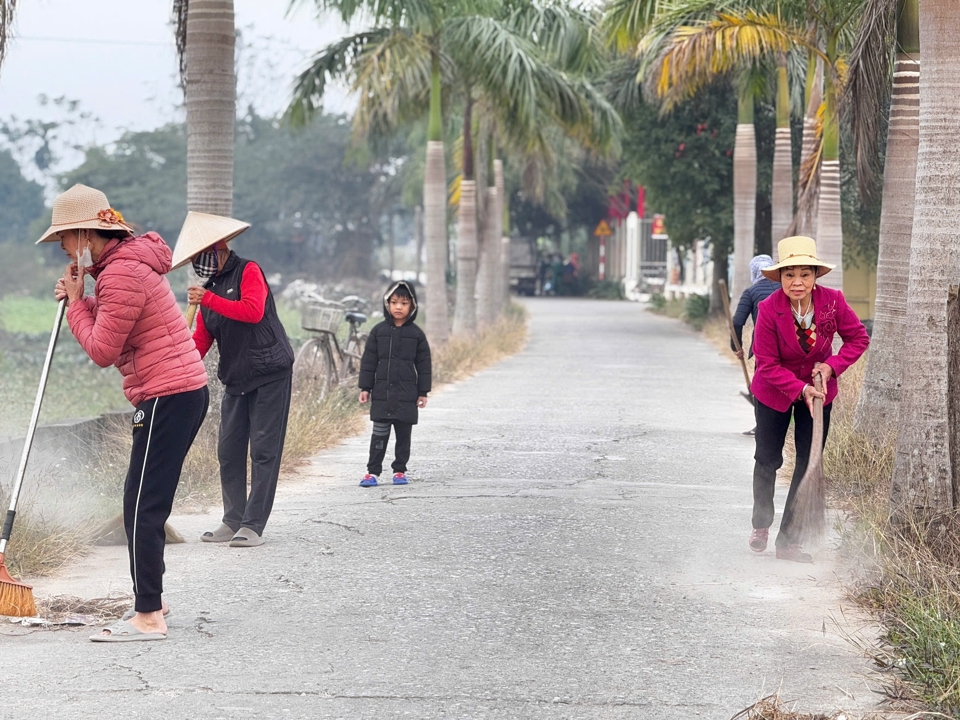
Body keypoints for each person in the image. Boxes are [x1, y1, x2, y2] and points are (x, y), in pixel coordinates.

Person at [43, 184, 209, 641]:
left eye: (63, 239)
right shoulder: (125, 264)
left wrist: (78, 304)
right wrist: (85, 298)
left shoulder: (119, 274)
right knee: (141, 501)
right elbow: (121, 319)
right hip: (177, 392)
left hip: (167, 394)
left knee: (142, 505)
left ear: (85, 234)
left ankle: (149, 616)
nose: (61, 248)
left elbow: (101, 348)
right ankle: (152, 600)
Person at [172, 212, 295, 549]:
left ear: (221, 249)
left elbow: (252, 310)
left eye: (205, 254)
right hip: (236, 377)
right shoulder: (207, 290)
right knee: (228, 450)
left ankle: (253, 525)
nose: (201, 262)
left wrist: (207, 299)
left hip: (270, 372)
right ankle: (232, 518)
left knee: (264, 452)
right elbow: (200, 340)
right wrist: (174, 368)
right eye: (196, 258)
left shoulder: (248, 270)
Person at [749, 236, 869, 563]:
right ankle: (761, 522)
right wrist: (800, 389)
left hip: (820, 392)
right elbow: (767, 363)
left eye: (804, 273)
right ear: (780, 278)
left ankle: (788, 541)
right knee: (768, 458)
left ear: (816, 275)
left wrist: (832, 366)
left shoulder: (833, 302)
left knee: (807, 464)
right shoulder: (768, 309)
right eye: (789, 275)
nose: (797, 282)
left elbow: (858, 338)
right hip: (774, 390)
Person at [358, 281, 431, 487]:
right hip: (382, 394)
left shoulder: (417, 335)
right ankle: (372, 472)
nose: (398, 307)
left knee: (403, 437)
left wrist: (423, 392)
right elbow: (368, 362)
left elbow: (424, 365)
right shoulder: (378, 332)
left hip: (407, 395)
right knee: (379, 436)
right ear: (386, 304)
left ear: (412, 306)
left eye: (404, 303)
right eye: (394, 302)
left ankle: (399, 470)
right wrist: (365, 388)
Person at [730, 254, 780, 436]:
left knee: (762, 385)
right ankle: (784, 428)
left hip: (764, 345)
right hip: (790, 344)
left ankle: (763, 427)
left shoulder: (751, 292)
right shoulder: (786, 288)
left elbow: (736, 322)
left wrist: (736, 347)